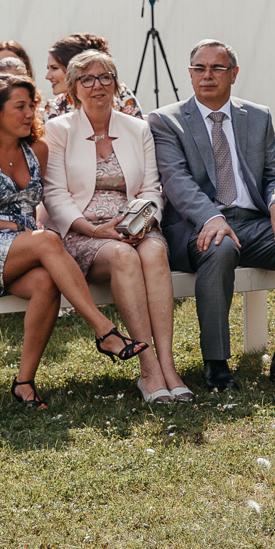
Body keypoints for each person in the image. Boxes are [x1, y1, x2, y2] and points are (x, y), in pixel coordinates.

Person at [0, 73, 150, 410]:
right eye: (20, 107)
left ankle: (24, 383)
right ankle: (104, 330)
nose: (31, 114)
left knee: (45, 283)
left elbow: (48, 198)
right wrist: (10, 225)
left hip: (28, 247)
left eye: (33, 106)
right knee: (47, 242)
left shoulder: (36, 149)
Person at [147, 40, 275, 393]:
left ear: (234, 74)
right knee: (221, 247)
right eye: (199, 68)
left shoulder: (257, 116)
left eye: (217, 68)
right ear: (190, 74)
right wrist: (210, 217)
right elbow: (176, 182)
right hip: (199, 227)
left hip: (253, 223)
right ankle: (216, 363)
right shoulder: (167, 121)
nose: (206, 76)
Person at [44, 50, 190, 404]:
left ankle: (170, 366)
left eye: (106, 77)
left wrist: (141, 221)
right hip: (84, 231)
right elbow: (55, 195)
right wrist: (94, 230)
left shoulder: (138, 128)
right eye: (88, 79)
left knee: (155, 252)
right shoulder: (59, 130)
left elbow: (152, 189)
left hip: (135, 223)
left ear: (116, 83)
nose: (98, 86)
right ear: (73, 88)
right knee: (124, 257)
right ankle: (149, 369)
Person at [43, 33, 142, 120]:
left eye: (54, 68)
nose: (47, 76)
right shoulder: (54, 108)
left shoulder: (121, 96)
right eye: (49, 68)